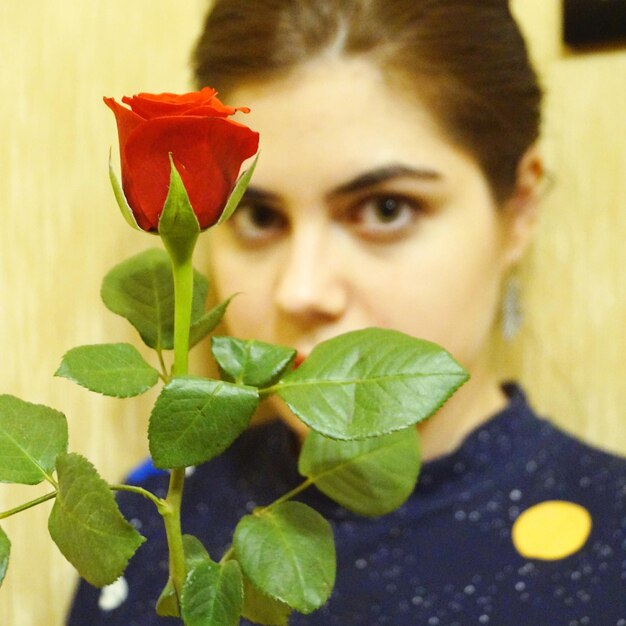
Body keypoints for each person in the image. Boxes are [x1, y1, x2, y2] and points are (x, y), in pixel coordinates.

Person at [68, 1, 626, 624]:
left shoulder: (612, 545)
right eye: (260, 216)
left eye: (386, 208)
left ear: (519, 209)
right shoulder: (144, 528)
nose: (300, 290)